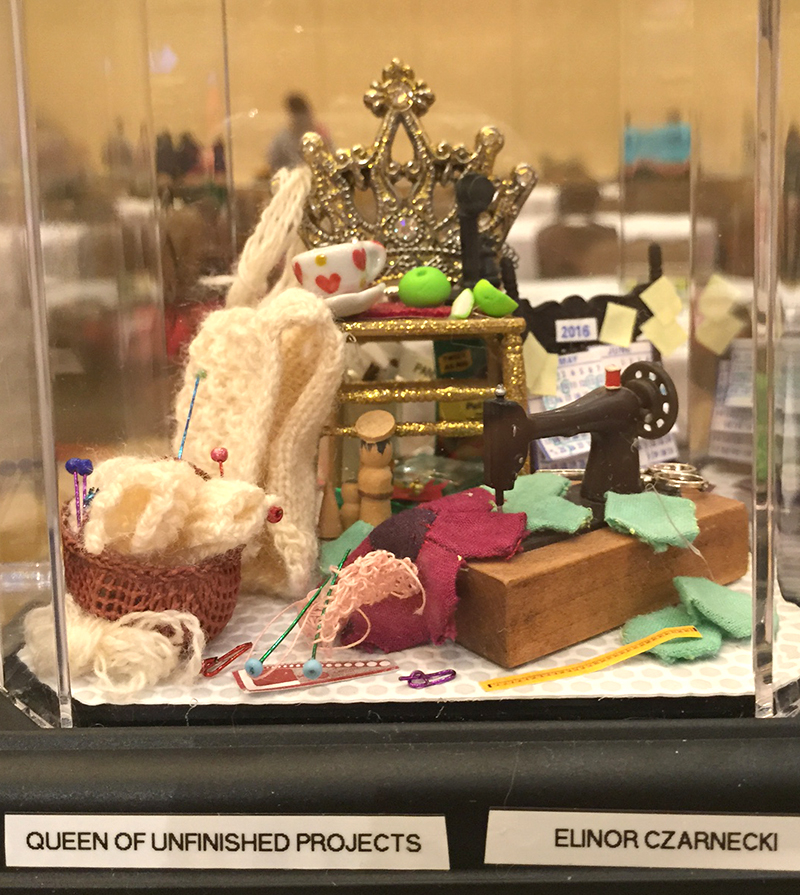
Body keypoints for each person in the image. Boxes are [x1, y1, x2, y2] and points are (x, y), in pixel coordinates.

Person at [267, 93, 330, 172]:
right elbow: (273, 162)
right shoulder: (282, 139)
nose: (301, 120)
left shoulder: (319, 134)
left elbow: (331, 157)